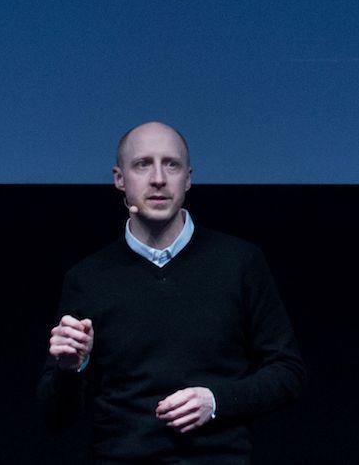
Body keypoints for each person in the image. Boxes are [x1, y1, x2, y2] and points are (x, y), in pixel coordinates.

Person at [37, 121, 306, 461]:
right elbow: (55, 418)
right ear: (120, 179)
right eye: (142, 164)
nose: (159, 178)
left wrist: (216, 400)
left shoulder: (239, 263)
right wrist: (71, 369)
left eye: (171, 164)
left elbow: (288, 373)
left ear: (188, 178)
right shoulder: (88, 279)